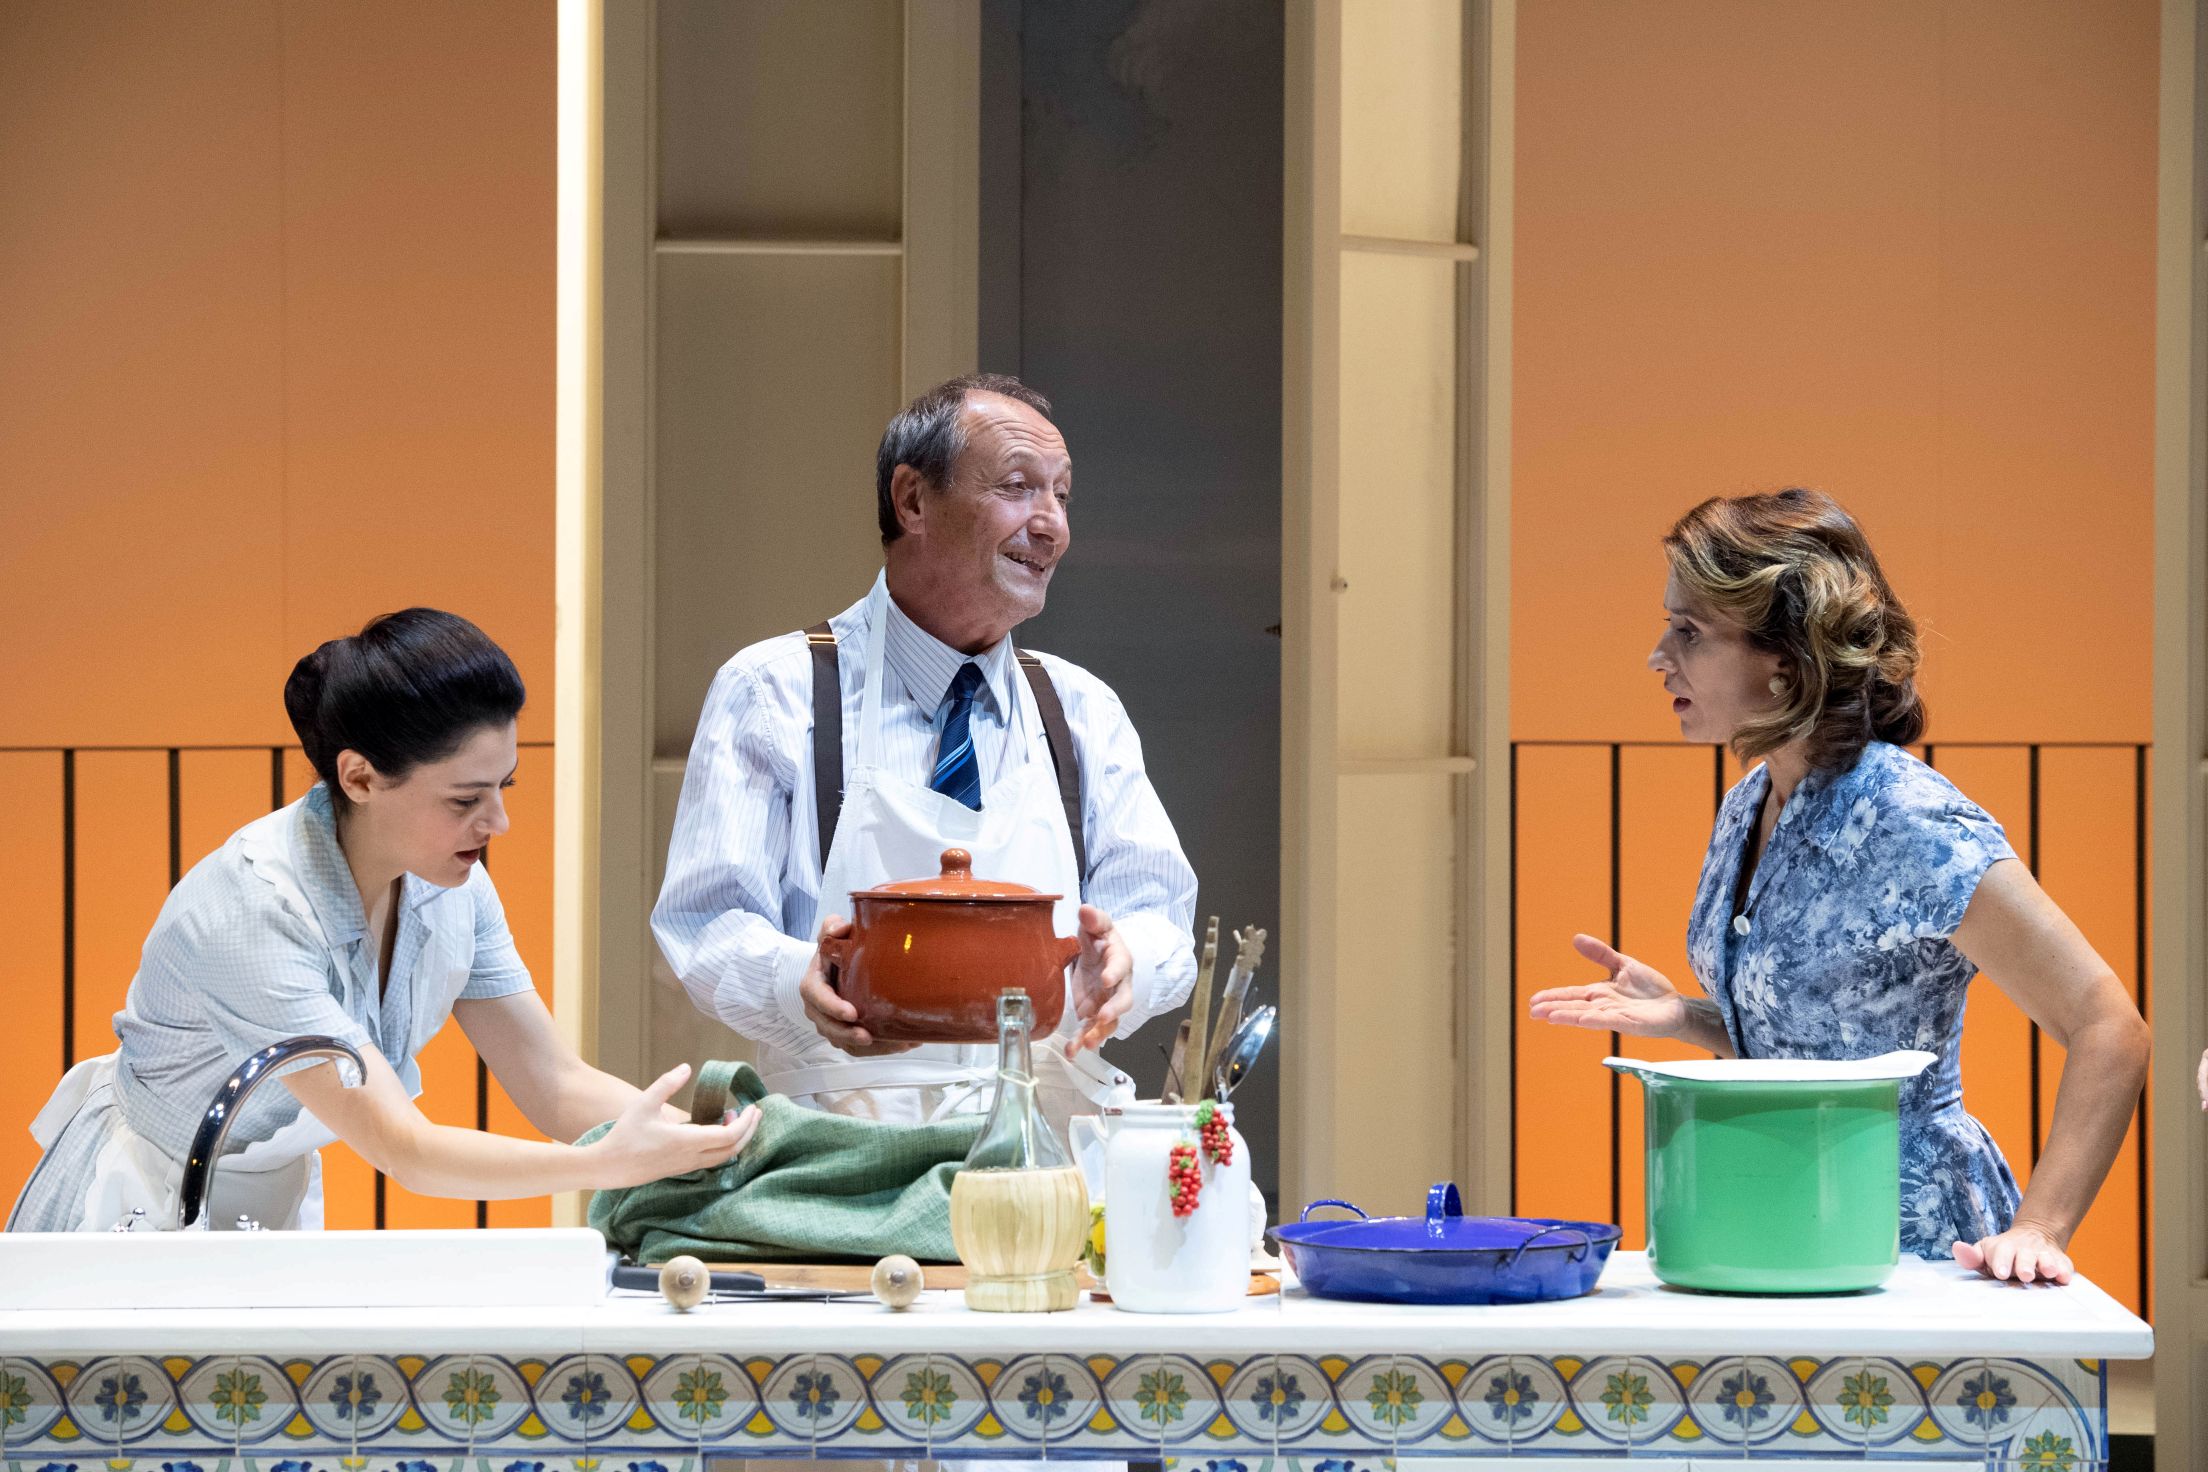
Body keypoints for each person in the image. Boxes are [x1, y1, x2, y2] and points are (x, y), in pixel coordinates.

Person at [1530, 489, 2150, 1284]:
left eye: (1690, 631)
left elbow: (2110, 1027)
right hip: (1787, 1221)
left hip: (1914, 1250)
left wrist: (2039, 1228)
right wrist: (1686, 1016)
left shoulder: (1910, 819)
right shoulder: (1751, 801)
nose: (1659, 657)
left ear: (1787, 662)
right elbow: (1826, 1047)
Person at [9, 609, 756, 1233]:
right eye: (465, 800)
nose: (497, 821)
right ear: (359, 777)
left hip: (268, 1196)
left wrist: (719, 1142)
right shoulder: (252, 909)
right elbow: (405, 1150)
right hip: (134, 1201)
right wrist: (601, 1165)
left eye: (505, 786)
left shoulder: (455, 885)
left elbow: (556, 1085)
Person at [654, 374, 1198, 1129]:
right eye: (1018, 487)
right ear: (912, 500)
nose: (1051, 526)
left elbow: (1159, 910)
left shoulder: (1081, 710)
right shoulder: (775, 690)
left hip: (1047, 1148)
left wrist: (1128, 957)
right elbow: (704, 920)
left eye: (1062, 495)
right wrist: (796, 979)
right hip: (840, 1147)